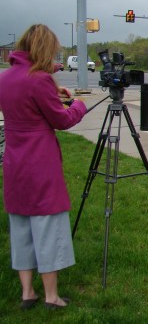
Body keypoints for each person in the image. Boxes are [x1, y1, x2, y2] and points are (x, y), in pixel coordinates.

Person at [0, 24, 87, 309]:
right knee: (48, 226)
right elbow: (62, 120)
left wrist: (54, 92)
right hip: (40, 163)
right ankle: (51, 296)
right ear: (44, 48)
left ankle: (27, 292)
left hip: (15, 162)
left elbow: (26, 103)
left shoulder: (5, 77)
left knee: (21, 227)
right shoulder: (39, 79)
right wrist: (78, 105)